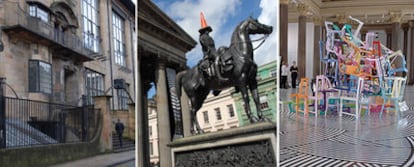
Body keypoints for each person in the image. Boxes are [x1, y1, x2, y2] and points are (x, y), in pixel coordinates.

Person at [198, 12, 225, 87]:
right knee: (217, 57)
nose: (208, 31)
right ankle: (219, 76)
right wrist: (210, 52)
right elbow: (207, 46)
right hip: (209, 52)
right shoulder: (202, 37)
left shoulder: (210, 37)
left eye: (208, 30)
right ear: (204, 30)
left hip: (213, 50)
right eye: (207, 30)